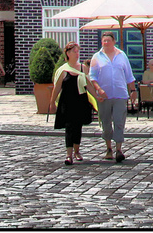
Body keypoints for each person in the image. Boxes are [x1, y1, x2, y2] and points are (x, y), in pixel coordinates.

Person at [89, 33, 137, 163]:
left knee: (119, 121)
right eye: (104, 41)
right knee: (106, 122)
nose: (106, 43)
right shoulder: (97, 57)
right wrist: (98, 89)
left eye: (108, 40)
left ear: (114, 41)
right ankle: (108, 148)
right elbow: (92, 76)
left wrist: (133, 90)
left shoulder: (122, 56)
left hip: (120, 94)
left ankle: (119, 150)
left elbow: (129, 75)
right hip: (104, 96)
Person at [51, 43, 96, 166]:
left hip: (80, 101)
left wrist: (97, 97)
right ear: (68, 53)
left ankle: (77, 151)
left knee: (78, 127)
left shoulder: (83, 68)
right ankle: (68, 155)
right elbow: (57, 88)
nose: (77, 54)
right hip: (67, 102)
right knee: (69, 128)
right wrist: (52, 102)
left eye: (78, 52)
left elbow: (89, 86)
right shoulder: (63, 70)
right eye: (74, 51)